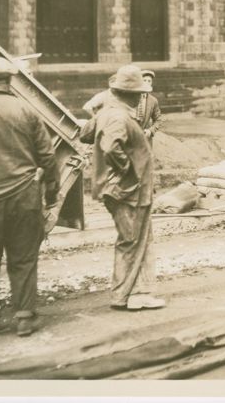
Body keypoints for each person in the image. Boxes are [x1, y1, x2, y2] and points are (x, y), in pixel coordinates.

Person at [0, 57, 58, 338]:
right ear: (10, 81)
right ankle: (24, 318)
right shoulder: (27, 111)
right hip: (24, 197)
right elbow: (48, 157)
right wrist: (52, 194)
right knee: (23, 259)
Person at [92, 65, 166, 311]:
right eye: (138, 93)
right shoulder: (120, 117)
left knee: (131, 241)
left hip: (122, 189)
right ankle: (136, 294)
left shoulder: (107, 112)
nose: (141, 97)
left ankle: (123, 294)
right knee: (135, 242)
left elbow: (85, 133)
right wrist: (128, 172)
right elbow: (111, 146)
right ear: (131, 94)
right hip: (129, 191)